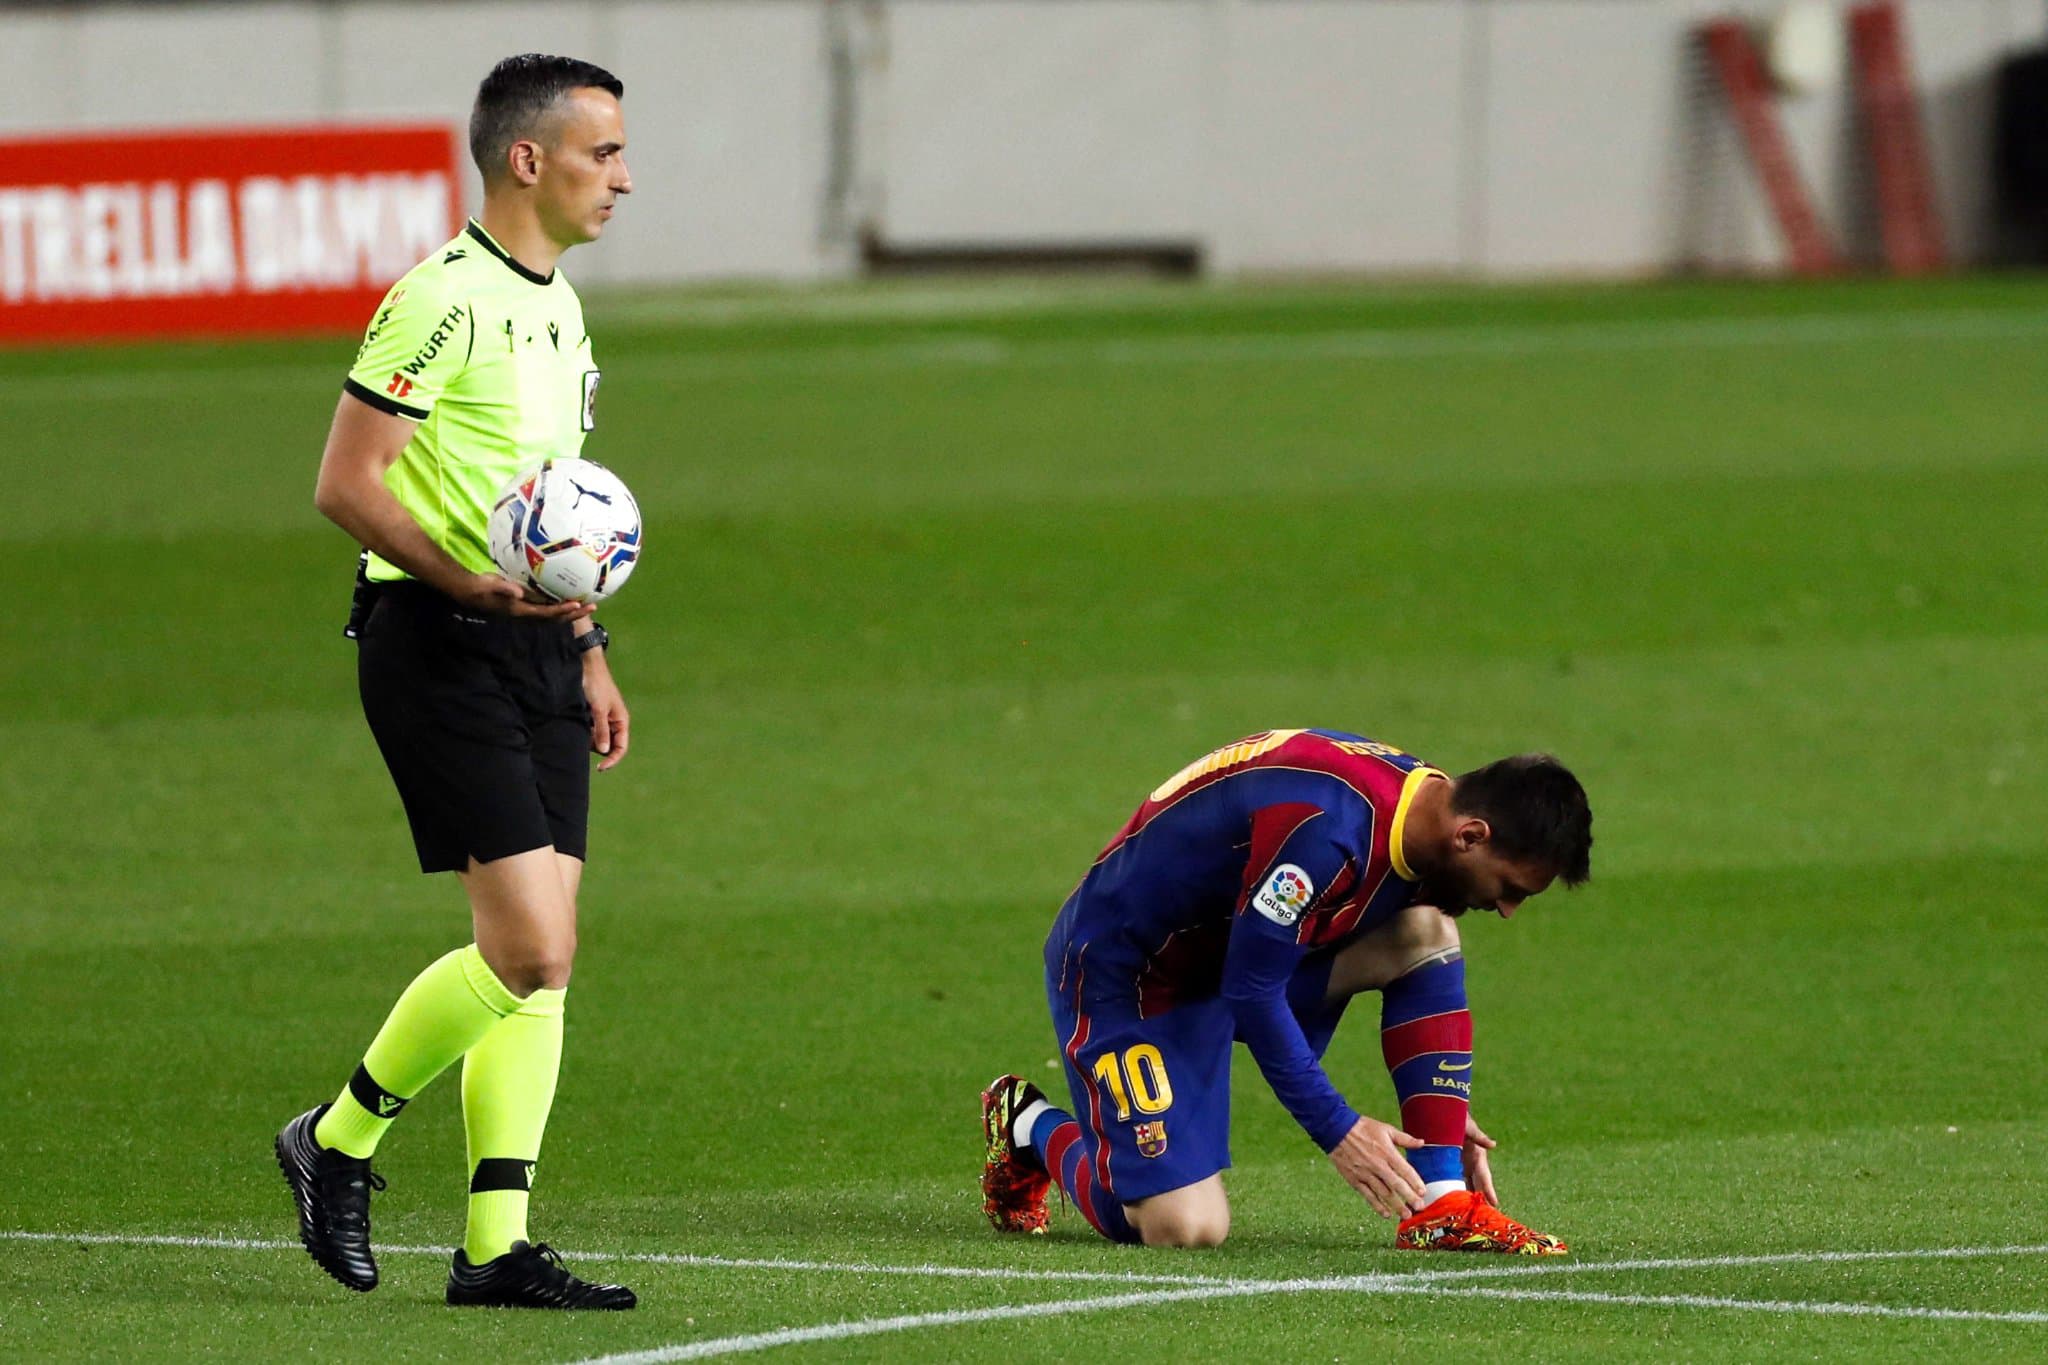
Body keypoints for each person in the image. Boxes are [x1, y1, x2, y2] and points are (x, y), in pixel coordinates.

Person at [274, 54, 637, 1310]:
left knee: (551, 960)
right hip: (435, 636)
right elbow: (347, 483)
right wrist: (470, 588)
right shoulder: (441, 299)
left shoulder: (561, 306)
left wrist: (584, 648)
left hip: (534, 643)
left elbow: (550, 511)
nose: (623, 179)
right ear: (526, 160)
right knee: (525, 944)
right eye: (604, 154)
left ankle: (493, 1246)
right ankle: (337, 1141)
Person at [980, 728, 1592, 1254]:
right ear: (1471, 835)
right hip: (1130, 976)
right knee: (1181, 1227)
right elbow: (1252, 990)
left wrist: (1439, 1110)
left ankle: (1441, 1205)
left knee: (1426, 930)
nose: (1508, 910)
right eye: (1512, 887)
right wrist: (1340, 1130)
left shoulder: (1424, 805)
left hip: (1233, 952)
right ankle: (1030, 1127)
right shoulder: (1328, 835)